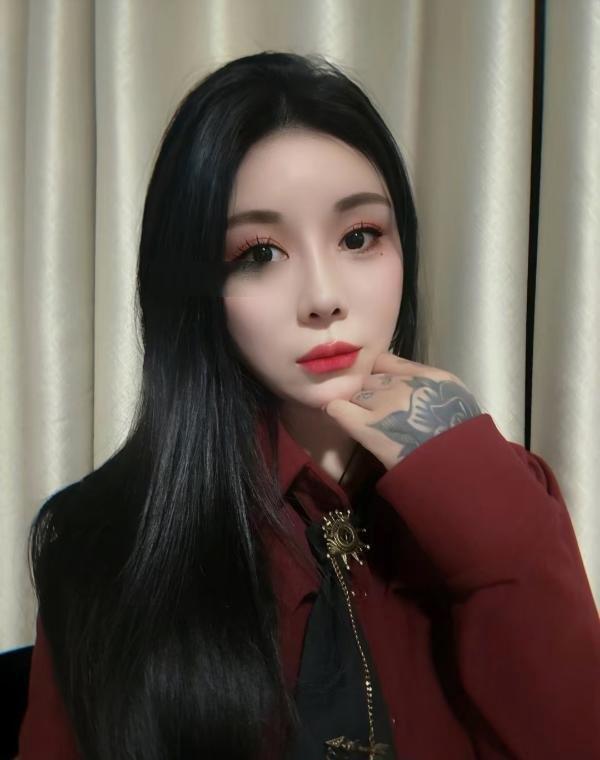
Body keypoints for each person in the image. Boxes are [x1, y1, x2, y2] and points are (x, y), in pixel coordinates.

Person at [19, 51, 600, 760]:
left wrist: (487, 508)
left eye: (359, 237)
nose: (323, 298)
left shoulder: (508, 497)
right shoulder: (103, 543)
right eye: (259, 253)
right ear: (195, 287)